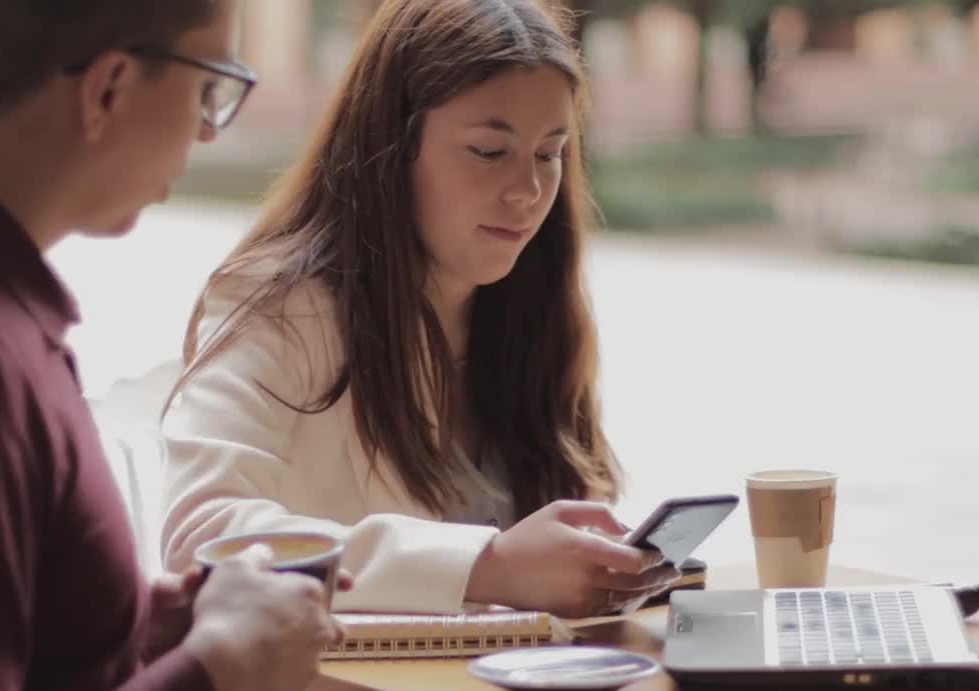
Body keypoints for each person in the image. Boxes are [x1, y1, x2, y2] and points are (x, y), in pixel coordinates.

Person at [0, 1, 343, 691]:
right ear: (110, 89)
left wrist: (116, 625)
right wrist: (211, 678)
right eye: (207, 85)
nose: (204, 128)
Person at [161, 0, 680, 621]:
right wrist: (491, 567)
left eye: (550, 153)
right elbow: (202, 535)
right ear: (392, 146)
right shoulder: (280, 305)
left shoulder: (530, 312)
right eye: (490, 151)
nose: (529, 192)